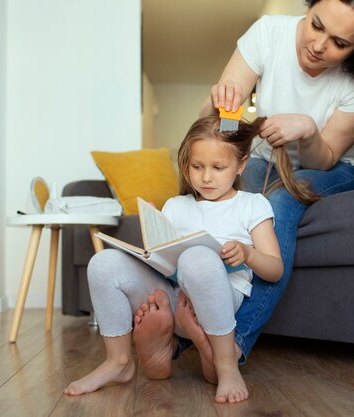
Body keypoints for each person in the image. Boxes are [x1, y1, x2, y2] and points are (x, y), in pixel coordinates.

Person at [196, 0, 354, 367]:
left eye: (339, 44)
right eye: (316, 25)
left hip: (336, 166)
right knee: (220, 190)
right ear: (308, 9)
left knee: (281, 200)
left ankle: (233, 345)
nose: (318, 45)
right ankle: (182, 335)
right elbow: (225, 135)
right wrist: (223, 109)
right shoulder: (268, 34)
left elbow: (322, 159)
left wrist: (309, 131)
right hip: (269, 158)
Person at [64, 115, 286, 404]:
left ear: (241, 164)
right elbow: (163, 260)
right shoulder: (176, 205)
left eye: (218, 168)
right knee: (103, 264)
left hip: (217, 302)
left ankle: (226, 365)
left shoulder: (251, 205)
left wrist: (248, 254)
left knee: (197, 257)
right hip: (172, 295)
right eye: (197, 167)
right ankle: (118, 362)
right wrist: (151, 238)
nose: (206, 177)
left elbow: (275, 270)